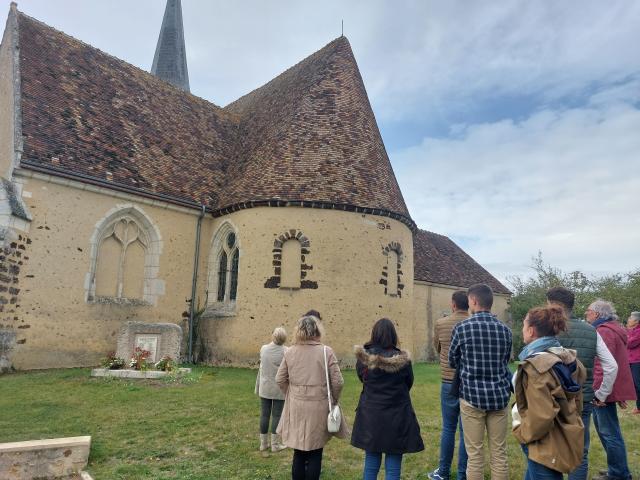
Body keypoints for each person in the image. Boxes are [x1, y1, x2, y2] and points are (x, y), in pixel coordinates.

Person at [546, 286, 618, 480]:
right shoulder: (591, 331)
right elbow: (611, 366)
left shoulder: (547, 328)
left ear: (553, 305)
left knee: (549, 450)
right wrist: (601, 394)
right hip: (582, 399)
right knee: (579, 450)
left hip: (550, 398)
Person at [512, 305, 586, 479]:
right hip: (562, 435)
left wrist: (522, 433)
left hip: (544, 443)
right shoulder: (565, 357)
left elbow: (541, 416)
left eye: (523, 325)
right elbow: (577, 401)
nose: (522, 330)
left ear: (530, 331)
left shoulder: (537, 366)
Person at [449, 284, 512, 480]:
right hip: (499, 396)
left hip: (471, 396)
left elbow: (453, 360)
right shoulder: (505, 330)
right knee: (499, 453)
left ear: (474, 301)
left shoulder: (461, 328)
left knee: (474, 455)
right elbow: (505, 361)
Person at [276, 315, 348, 480]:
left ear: (298, 331)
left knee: (299, 451)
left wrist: (292, 394)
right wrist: (334, 399)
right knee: (316, 451)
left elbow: (280, 379)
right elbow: (338, 382)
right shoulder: (326, 351)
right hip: (319, 406)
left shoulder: (290, 351)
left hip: (297, 407)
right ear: (317, 330)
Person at [351, 318, 424, 479]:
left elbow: (363, 379)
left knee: (371, 460)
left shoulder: (364, 359)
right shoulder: (402, 360)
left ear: (374, 334)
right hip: (396, 414)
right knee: (393, 463)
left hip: (371, 414)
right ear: (392, 335)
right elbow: (408, 383)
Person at [585, 300, 636, 480]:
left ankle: (619, 473)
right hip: (609, 387)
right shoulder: (612, 328)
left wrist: (599, 393)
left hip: (603, 390)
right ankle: (617, 468)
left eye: (588, 311)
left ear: (597, 314)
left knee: (609, 432)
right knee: (607, 431)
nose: (586, 314)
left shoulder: (604, 331)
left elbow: (601, 365)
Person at [428, 291, 469, 480]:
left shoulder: (441, 323)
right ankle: (464, 473)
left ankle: (443, 471)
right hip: (469, 381)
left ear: (453, 304)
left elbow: (437, 347)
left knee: (448, 428)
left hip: (448, 379)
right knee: (467, 430)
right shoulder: (472, 323)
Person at [255, 327, 288, 452]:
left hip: (265, 386)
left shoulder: (264, 348)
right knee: (276, 415)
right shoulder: (287, 351)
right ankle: (274, 445)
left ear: (273, 335)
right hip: (279, 387)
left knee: (264, 414)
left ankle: (263, 444)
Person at [627, 311, 640, 415]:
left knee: (637, 384)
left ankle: (639, 407)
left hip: (637, 361)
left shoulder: (638, 331)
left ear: (636, 321)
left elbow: (630, 343)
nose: (628, 320)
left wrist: (626, 338)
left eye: (630, 318)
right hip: (630, 360)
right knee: (634, 385)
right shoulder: (629, 330)